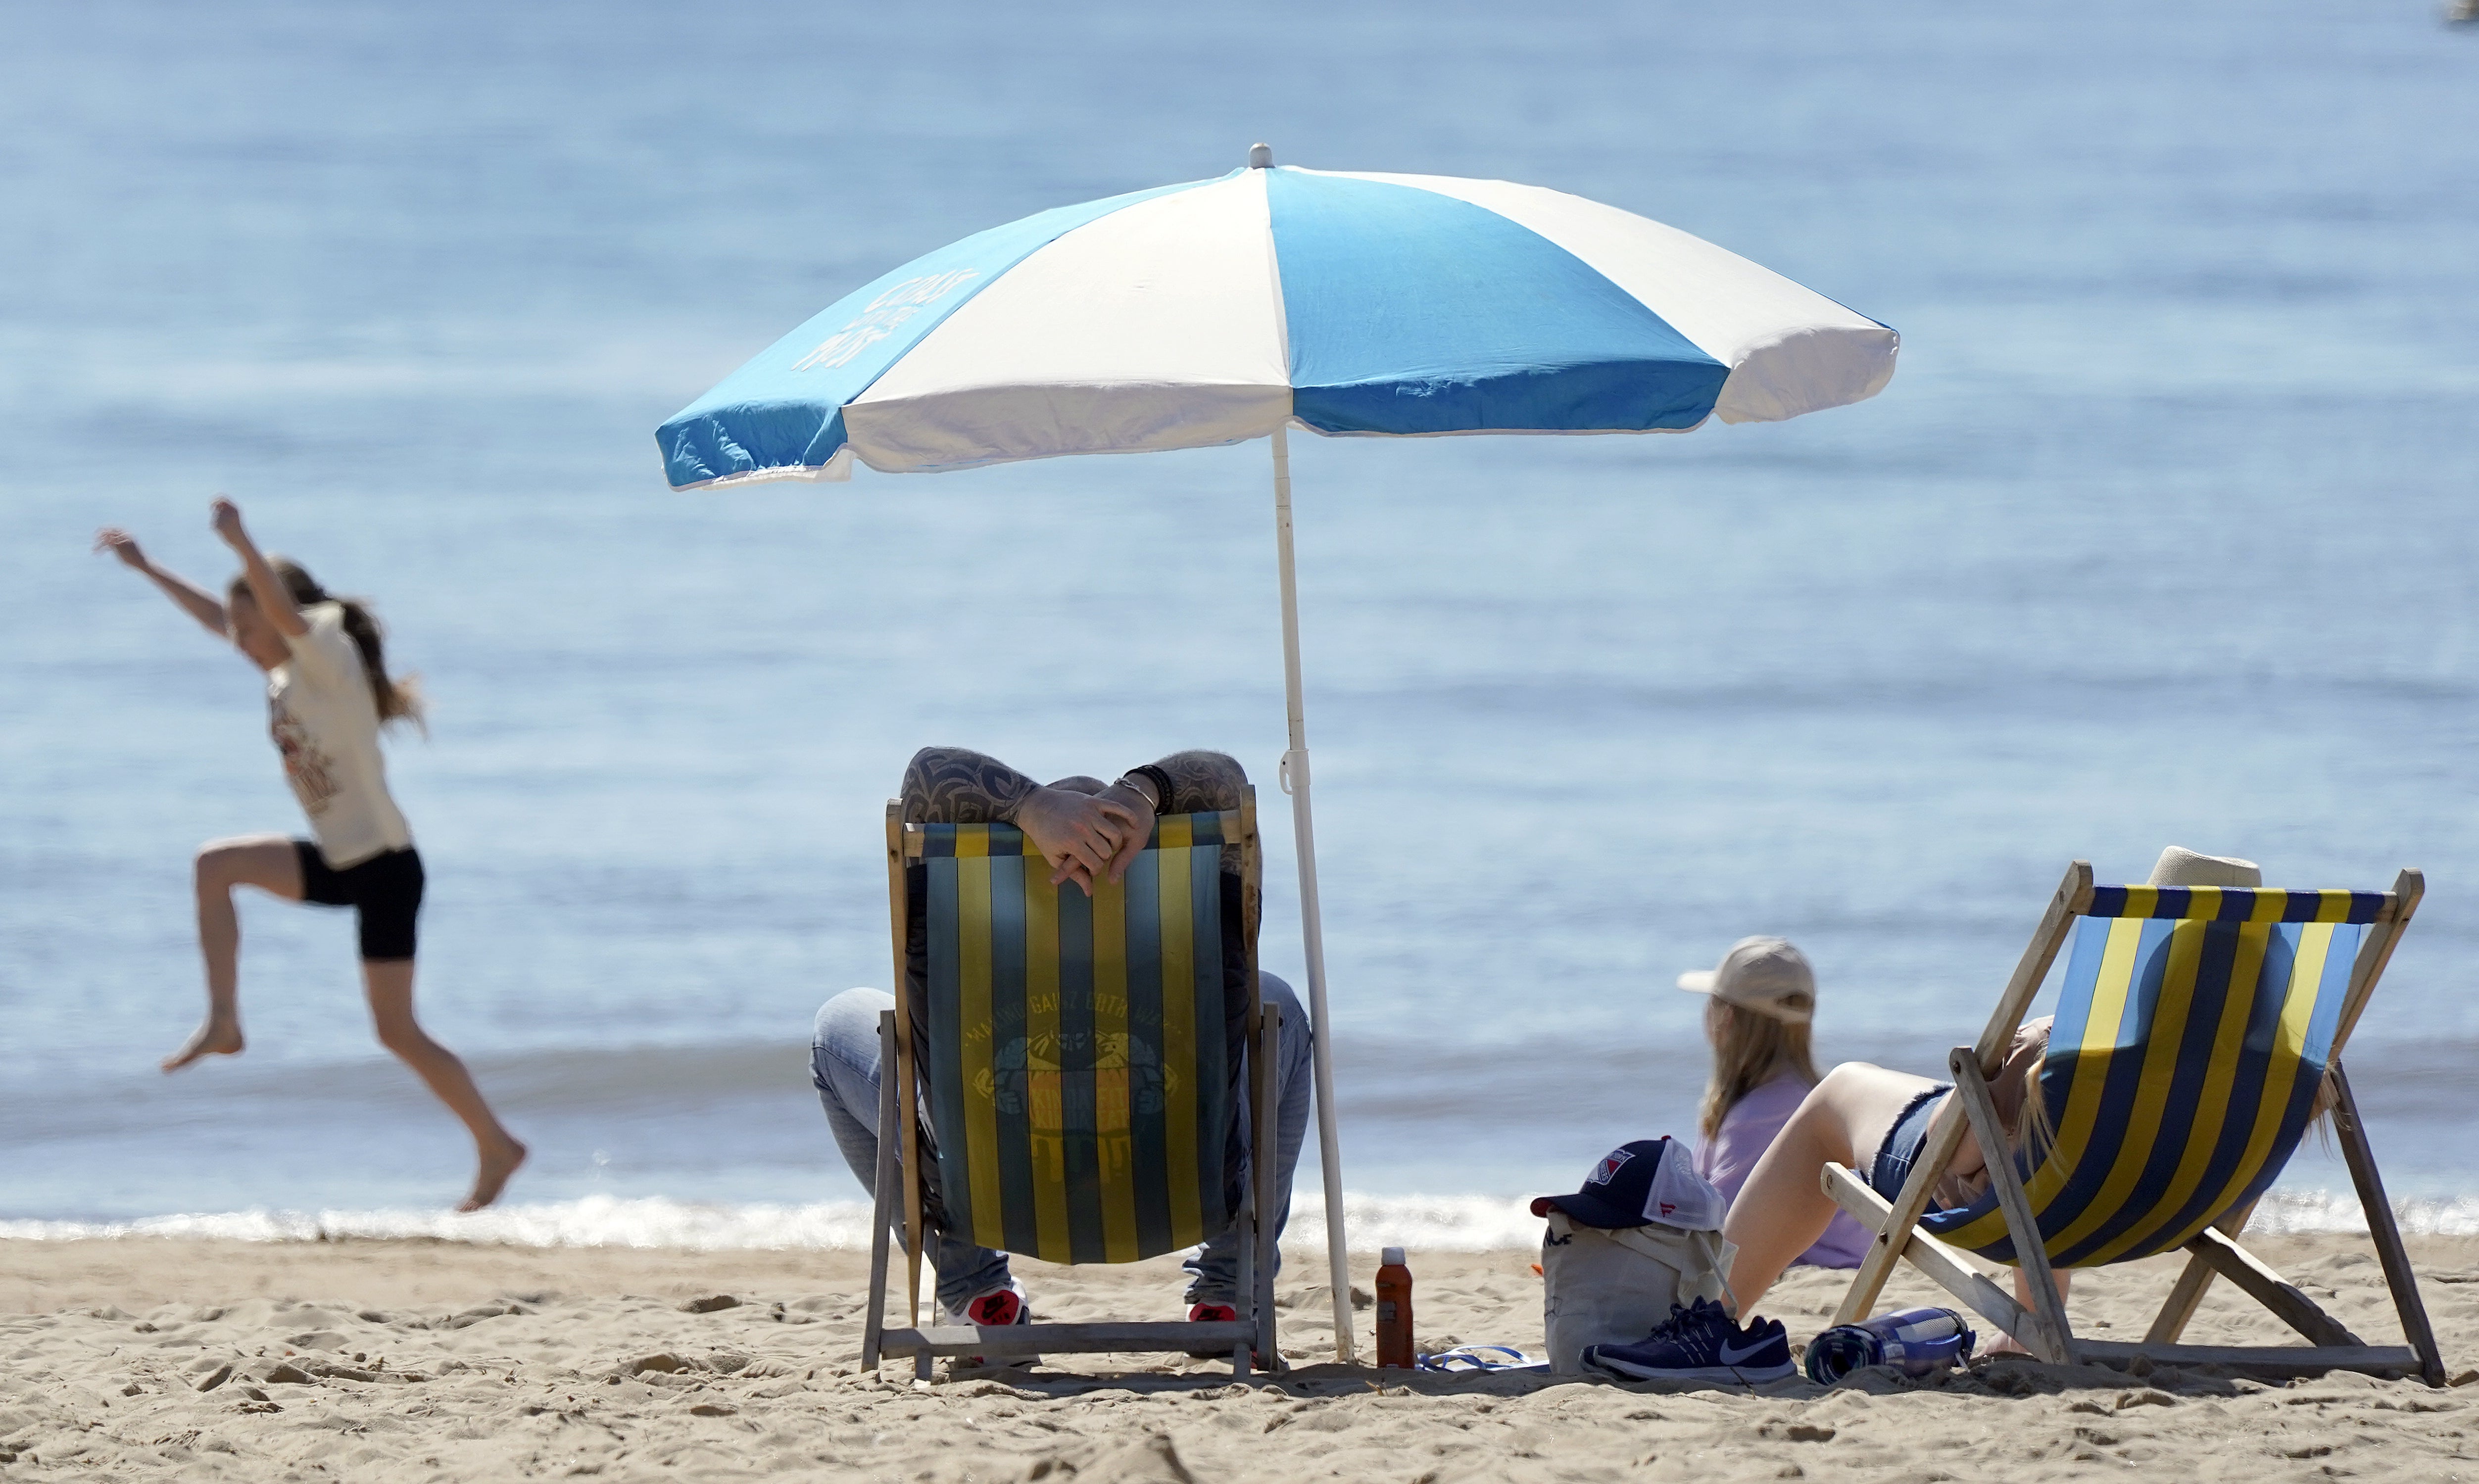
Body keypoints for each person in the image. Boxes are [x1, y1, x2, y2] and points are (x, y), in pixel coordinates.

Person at [94, 499, 527, 1212]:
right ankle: (225, 1020)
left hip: (384, 865)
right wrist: (147, 568)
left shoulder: (325, 657)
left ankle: (497, 1144)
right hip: (336, 858)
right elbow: (222, 618)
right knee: (215, 865)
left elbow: (284, 616)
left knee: (397, 1028)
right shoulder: (280, 671)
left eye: (249, 622)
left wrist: (241, 543)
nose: (238, 639)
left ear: (278, 609)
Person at [811, 746, 1312, 1341]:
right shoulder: (1190, 935)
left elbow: (927, 774)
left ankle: (977, 1293)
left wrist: (1031, 805)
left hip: (981, 1183)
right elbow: (1227, 780)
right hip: (1178, 1175)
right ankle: (1230, 1293)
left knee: (833, 1029)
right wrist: (1142, 790)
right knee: (1279, 1007)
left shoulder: (964, 930)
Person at [1716, 847, 2266, 1345]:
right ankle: (2028, 1328)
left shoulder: (2071, 1046)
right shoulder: (2274, 1069)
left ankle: (1711, 1314)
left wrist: (1988, 1079)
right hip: (2170, 1211)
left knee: (1836, 1093)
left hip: (2034, 1203)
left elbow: (1952, 1152)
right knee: (2030, 1142)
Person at [1678, 936, 1868, 1268]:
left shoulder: (1760, 1115)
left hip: (1823, 1264)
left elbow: (1719, 1235)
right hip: (1845, 1257)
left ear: (1726, 1018)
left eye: (1712, 1001)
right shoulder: (1806, 1095)